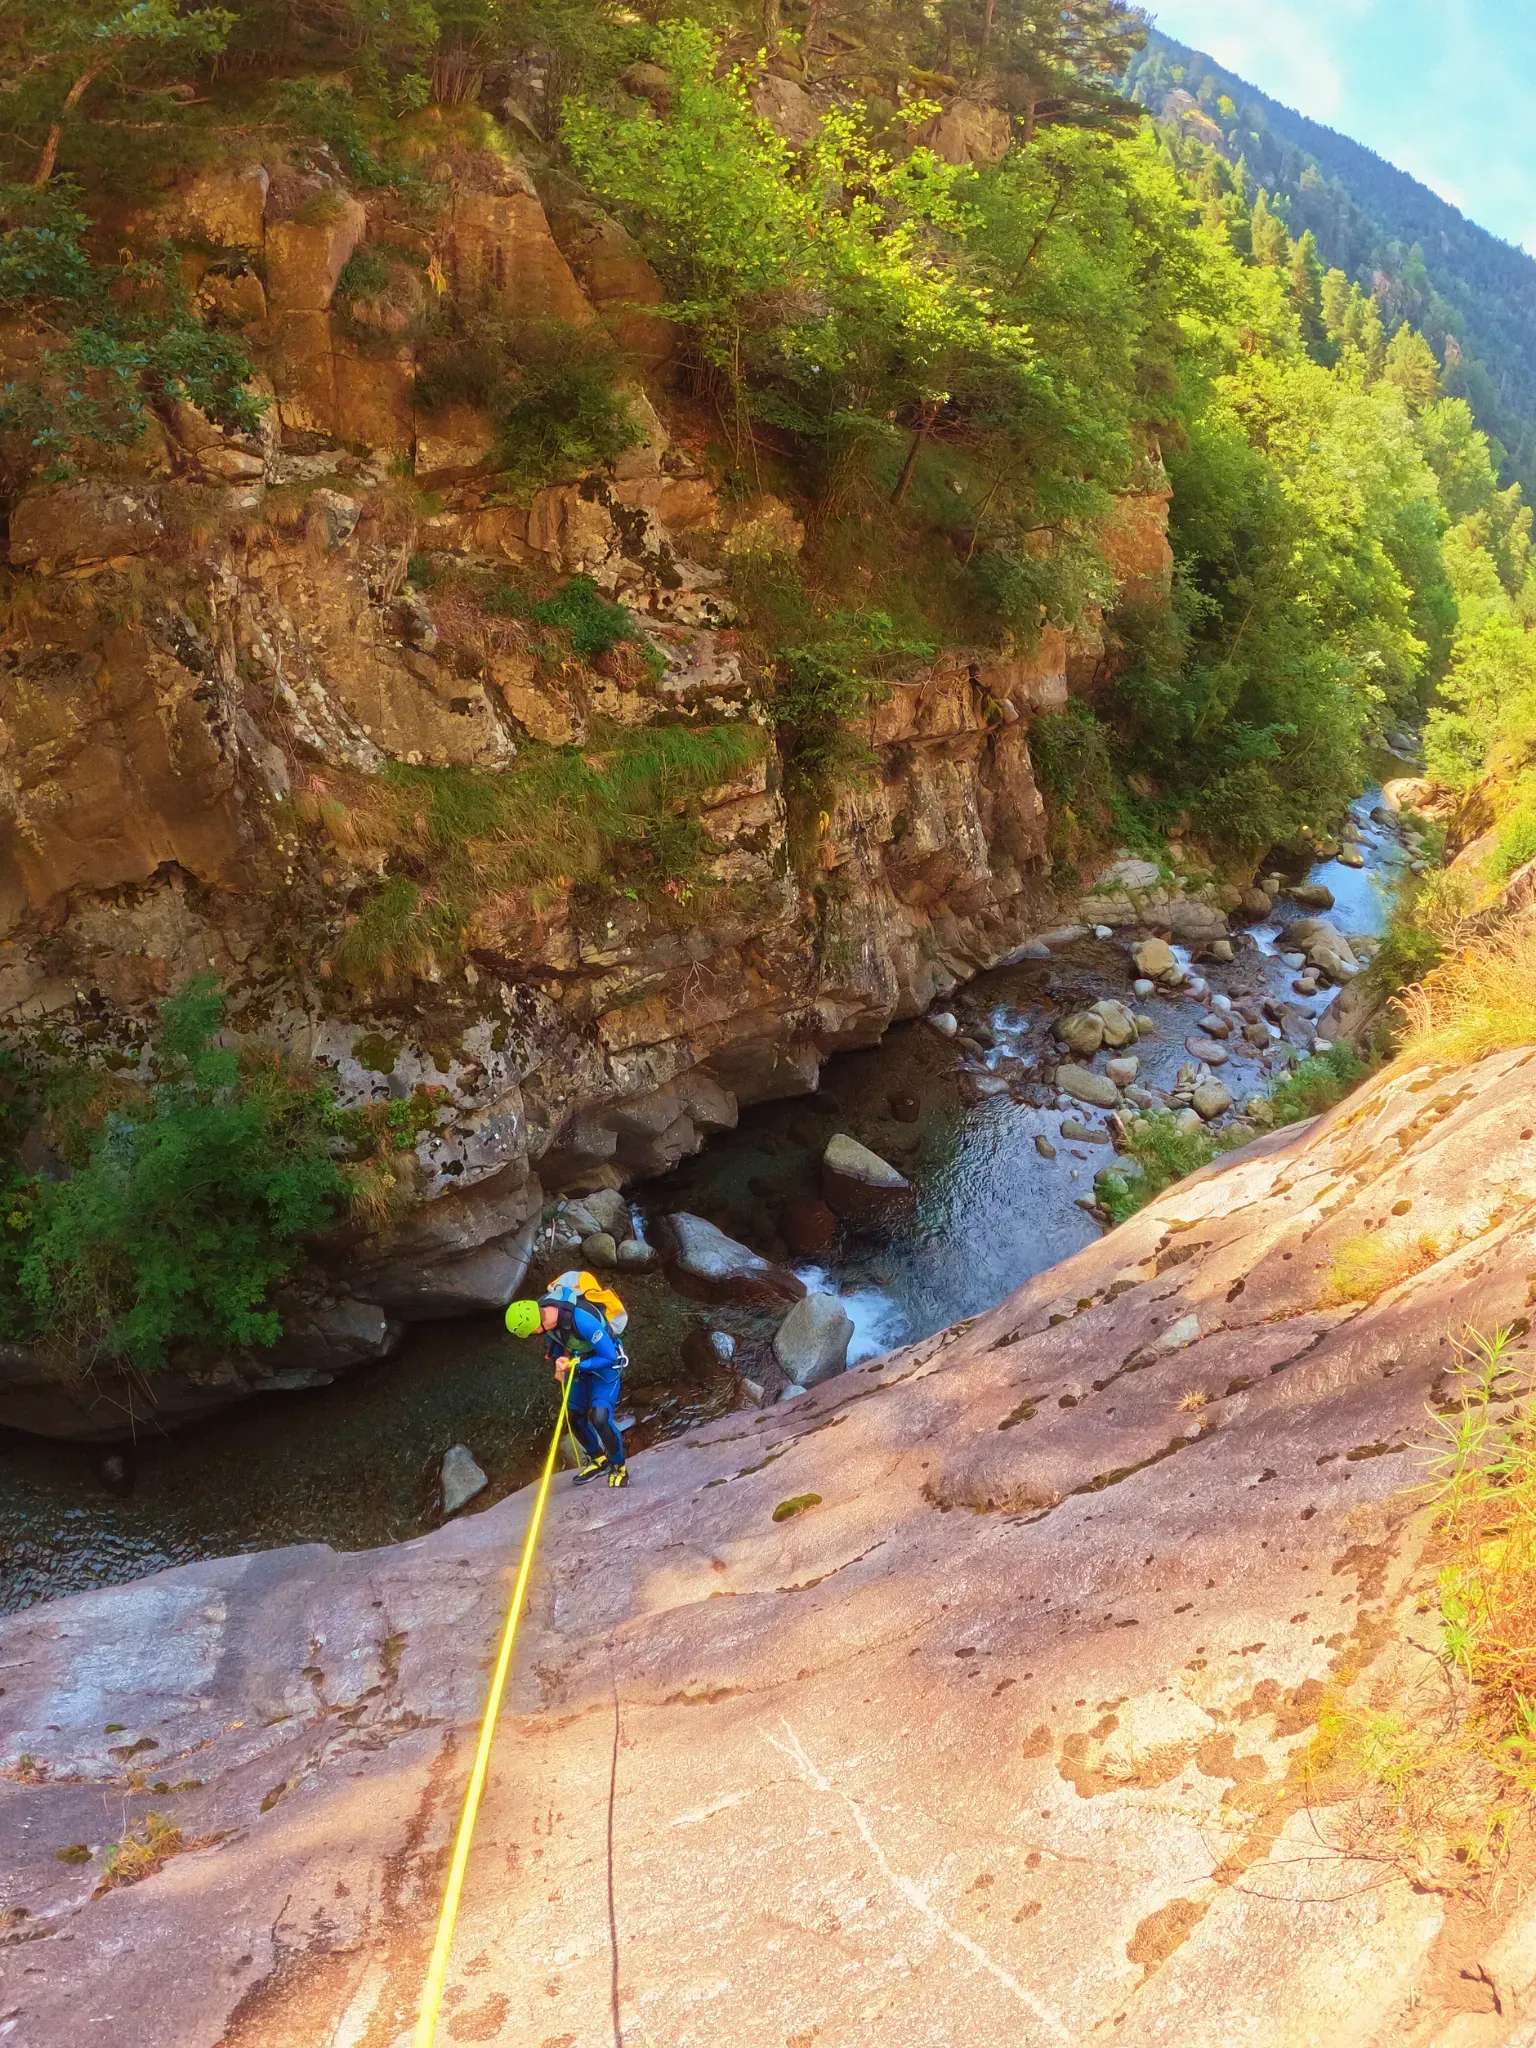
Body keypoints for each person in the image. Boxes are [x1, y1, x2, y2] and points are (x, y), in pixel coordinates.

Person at [505, 1292, 629, 1487]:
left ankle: (619, 1467)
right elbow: (557, 1342)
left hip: (604, 1368)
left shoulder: (583, 1322)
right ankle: (599, 1461)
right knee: (574, 1417)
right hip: (579, 1365)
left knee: (600, 1418)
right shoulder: (545, 1316)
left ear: (535, 1327)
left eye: (531, 1333)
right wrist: (559, 1360)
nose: (534, 1335)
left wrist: (577, 1364)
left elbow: (610, 1357)